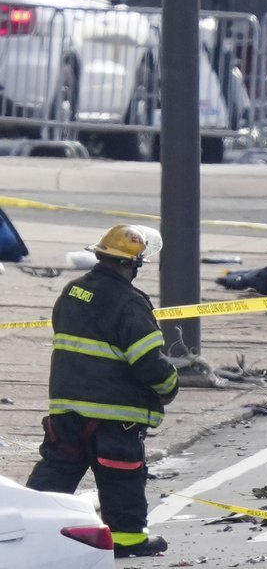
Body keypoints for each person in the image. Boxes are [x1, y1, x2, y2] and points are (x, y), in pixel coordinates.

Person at [26, 224, 178, 559]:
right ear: (132, 265)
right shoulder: (130, 303)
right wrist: (169, 385)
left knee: (57, 470)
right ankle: (127, 541)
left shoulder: (72, 291)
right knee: (121, 477)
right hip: (114, 415)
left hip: (66, 409)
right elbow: (148, 361)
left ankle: (24, 529)